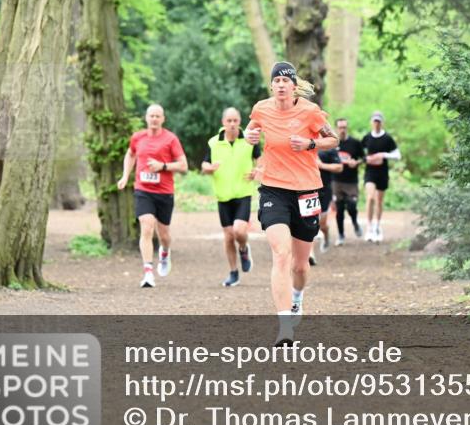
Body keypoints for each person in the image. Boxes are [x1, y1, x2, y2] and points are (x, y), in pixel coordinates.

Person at [244, 62, 339, 346]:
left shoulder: (310, 111)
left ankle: (297, 297)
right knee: (281, 254)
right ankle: (285, 327)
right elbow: (251, 131)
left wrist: (310, 144)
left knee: (300, 266)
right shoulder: (261, 109)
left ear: (294, 86)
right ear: (272, 86)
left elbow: (333, 139)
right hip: (273, 190)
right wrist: (250, 136)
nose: (281, 85)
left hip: (306, 191)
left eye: (286, 81)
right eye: (277, 81)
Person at [117, 104, 188, 288]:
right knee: (147, 226)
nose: (154, 119)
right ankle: (148, 272)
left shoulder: (170, 139)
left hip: (164, 192)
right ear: (146, 118)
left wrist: (162, 166)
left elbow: (183, 165)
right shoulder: (137, 137)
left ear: (163, 119)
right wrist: (125, 176)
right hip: (143, 190)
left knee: (164, 235)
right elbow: (130, 154)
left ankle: (164, 252)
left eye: (158, 116)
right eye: (151, 116)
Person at [202, 107, 261, 287]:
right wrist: (209, 168)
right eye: (229, 121)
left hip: (243, 192)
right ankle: (233, 272)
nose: (232, 124)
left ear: (240, 121)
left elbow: (260, 160)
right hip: (223, 195)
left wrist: (257, 171)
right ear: (223, 123)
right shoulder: (214, 142)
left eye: (235, 120)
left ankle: (243, 248)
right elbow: (204, 164)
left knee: (239, 231)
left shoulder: (249, 139)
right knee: (228, 237)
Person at [361, 111, 401, 243]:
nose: (376, 123)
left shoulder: (387, 138)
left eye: (378, 121)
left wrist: (383, 155)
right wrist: (367, 159)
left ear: (382, 122)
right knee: (370, 197)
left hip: (382, 173)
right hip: (370, 172)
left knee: (379, 201)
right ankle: (369, 228)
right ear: (371, 122)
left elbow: (397, 155)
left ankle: (377, 226)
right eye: (375, 121)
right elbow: (360, 154)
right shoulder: (367, 138)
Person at [331, 117, 365, 246]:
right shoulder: (332, 143)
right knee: (339, 209)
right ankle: (341, 235)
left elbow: (364, 158)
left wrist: (356, 162)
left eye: (344, 127)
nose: (342, 130)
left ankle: (355, 222)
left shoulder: (355, 143)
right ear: (336, 128)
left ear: (347, 128)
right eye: (340, 127)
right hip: (336, 181)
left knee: (352, 205)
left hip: (351, 181)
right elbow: (325, 158)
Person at [310, 146, 344, 265]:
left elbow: (339, 167)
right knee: (310, 222)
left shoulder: (328, 148)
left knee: (322, 224)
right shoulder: (303, 145)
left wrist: (321, 165)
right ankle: (310, 254)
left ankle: (326, 233)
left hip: (324, 190)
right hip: (307, 189)